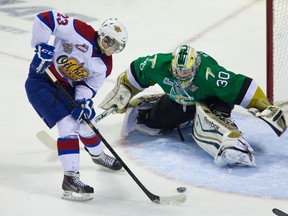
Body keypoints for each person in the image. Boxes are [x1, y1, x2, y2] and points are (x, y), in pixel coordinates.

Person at [99, 44, 287, 167]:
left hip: (211, 98)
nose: (181, 76)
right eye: (178, 72)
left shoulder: (210, 74)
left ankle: (222, 125)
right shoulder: (158, 64)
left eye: (186, 72)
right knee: (150, 124)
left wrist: (263, 105)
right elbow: (137, 70)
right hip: (178, 100)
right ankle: (186, 117)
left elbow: (241, 86)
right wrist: (125, 90)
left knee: (216, 113)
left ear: (195, 67)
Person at [25, 11, 128, 201]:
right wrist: (40, 45)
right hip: (40, 81)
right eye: (108, 42)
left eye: (115, 47)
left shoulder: (104, 65)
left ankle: (98, 156)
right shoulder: (79, 29)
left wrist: (83, 102)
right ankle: (70, 179)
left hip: (65, 87)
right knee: (68, 125)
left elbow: (87, 86)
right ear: (101, 35)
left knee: (86, 121)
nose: (110, 49)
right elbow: (45, 18)